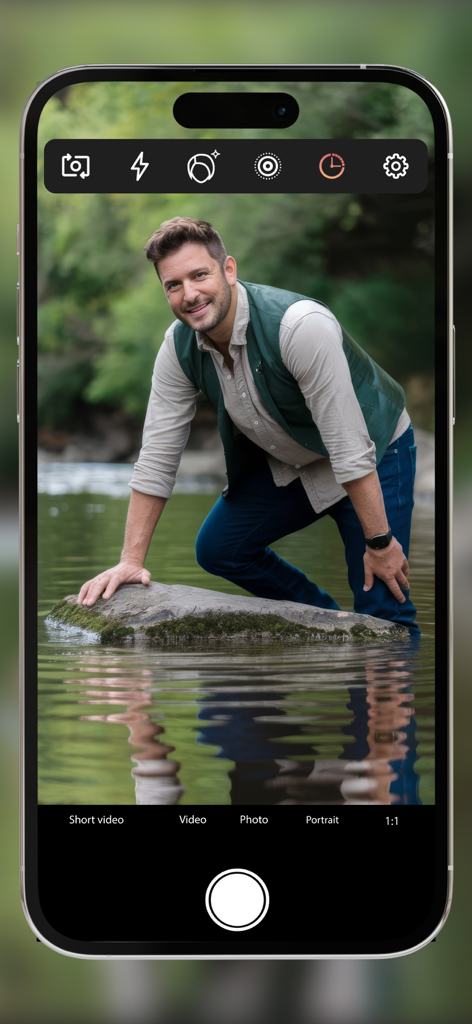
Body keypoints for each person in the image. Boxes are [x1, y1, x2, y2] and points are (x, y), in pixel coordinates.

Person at [78, 216, 418, 634]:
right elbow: (157, 458)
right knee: (220, 549)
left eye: (199, 275)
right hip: (293, 459)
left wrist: (380, 543)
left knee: (384, 611)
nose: (189, 294)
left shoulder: (299, 326)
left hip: (374, 452)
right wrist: (131, 561)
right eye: (173, 285)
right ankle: (323, 624)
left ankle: (385, 660)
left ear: (229, 269)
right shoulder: (177, 348)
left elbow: (349, 447)